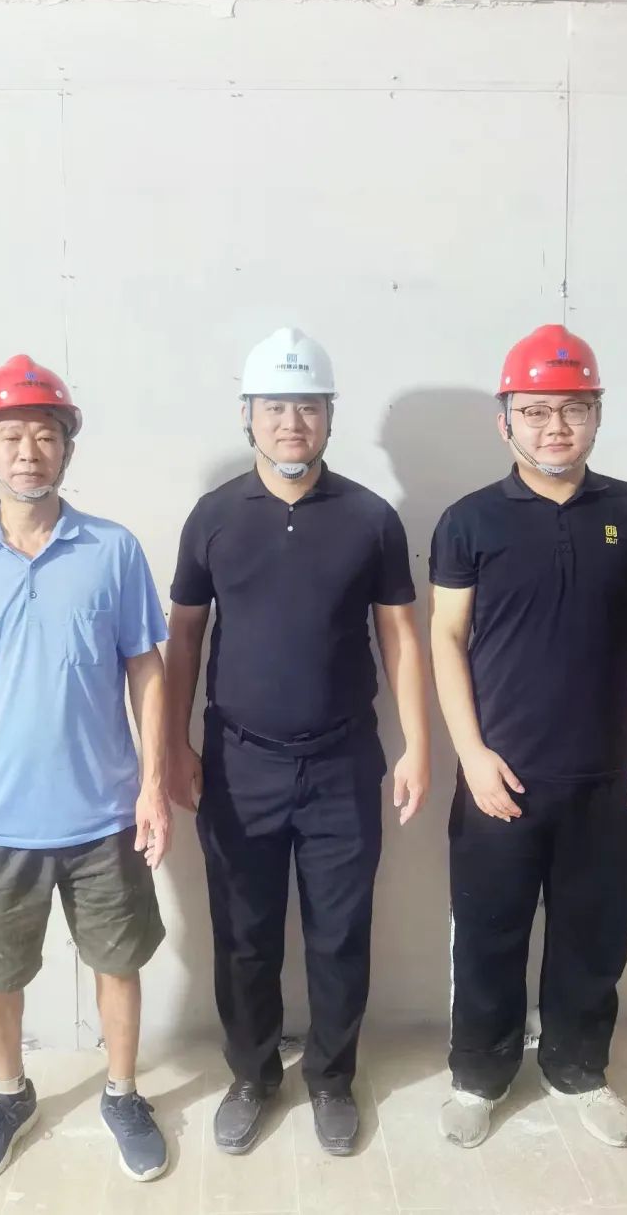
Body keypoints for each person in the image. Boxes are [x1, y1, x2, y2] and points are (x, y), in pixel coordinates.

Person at [0, 354, 172, 1185]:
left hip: (103, 815)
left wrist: (153, 785)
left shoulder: (113, 550)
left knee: (118, 963)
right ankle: (9, 1092)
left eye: (45, 435)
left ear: (68, 448)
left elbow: (146, 668)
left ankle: (122, 1093)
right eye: (11, 435)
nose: (29, 452)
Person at [165, 327, 431, 1157]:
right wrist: (174, 744)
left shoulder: (370, 518)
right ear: (248, 414)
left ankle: (330, 1079)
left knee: (339, 933)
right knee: (244, 934)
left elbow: (400, 636)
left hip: (343, 762)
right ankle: (251, 1076)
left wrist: (418, 743)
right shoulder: (213, 518)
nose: (292, 423)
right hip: (238, 761)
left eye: (308, 407)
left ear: (329, 417)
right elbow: (184, 639)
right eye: (276, 406)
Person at [429, 324, 627, 1149]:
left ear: (598, 414)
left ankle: (578, 1069)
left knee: (593, 936)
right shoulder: (469, 521)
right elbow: (446, 638)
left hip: (608, 777)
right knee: (488, 935)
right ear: (505, 420)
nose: (555, 427)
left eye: (573, 409)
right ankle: (478, 1077)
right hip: (501, 776)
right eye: (536, 410)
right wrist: (471, 756)